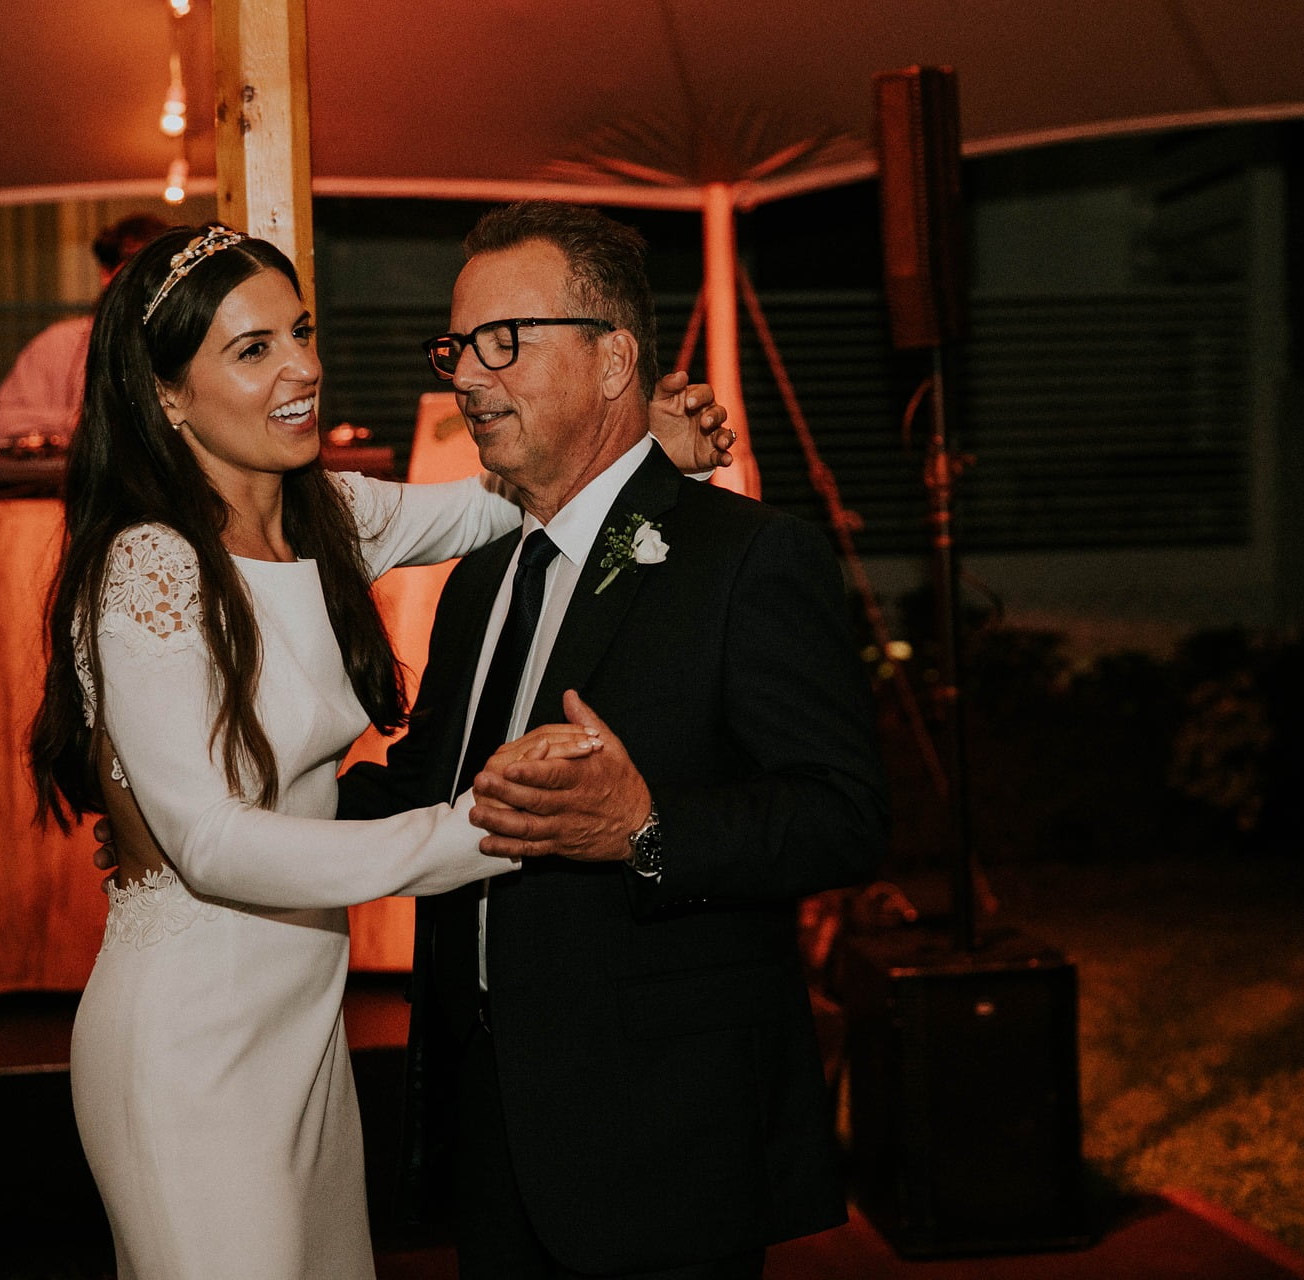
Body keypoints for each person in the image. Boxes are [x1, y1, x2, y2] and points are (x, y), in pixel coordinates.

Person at [30, 223, 732, 1280]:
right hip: (189, 1039)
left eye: (300, 332)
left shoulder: (329, 516)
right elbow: (214, 843)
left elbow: (504, 495)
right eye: (252, 348)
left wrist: (643, 441)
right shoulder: (145, 563)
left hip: (305, 1033)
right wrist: (487, 828)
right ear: (166, 394)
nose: (303, 366)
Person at [335, 202, 890, 1278]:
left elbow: (844, 814)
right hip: (489, 1125)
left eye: (506, 341)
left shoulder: (746, 559)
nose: (469, 378)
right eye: (458, 347)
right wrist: (227, 814)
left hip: (662, 1135)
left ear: (613, 360)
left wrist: (646, 829)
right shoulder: (481, 581)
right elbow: (427, 789)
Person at [0, 213, 171, 449]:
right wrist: (75, 422)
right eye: (132, 266)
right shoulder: (59, 343)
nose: (142, 282)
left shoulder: (180, 341)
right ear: (106, 274)